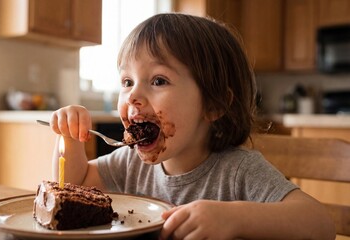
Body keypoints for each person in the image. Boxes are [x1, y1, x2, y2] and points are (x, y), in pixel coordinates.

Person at [48, 13, 335, 239]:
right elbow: (75, 187)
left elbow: (319, 225)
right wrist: (70, 138)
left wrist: (233, 218)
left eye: (158, 80)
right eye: (127, 81)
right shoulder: (130, 164)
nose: (133, 95)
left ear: (213, 105)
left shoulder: (237, 172)